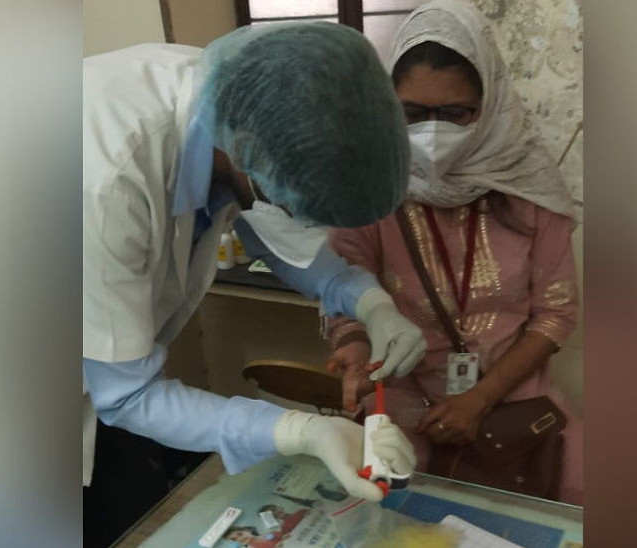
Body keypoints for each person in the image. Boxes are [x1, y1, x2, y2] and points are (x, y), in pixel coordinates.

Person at [83, 21, 422, 504]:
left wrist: (370, 301)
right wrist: (300, 430)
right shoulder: (105, 180)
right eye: (297, 207)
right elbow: (128, 395)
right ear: (246, 154)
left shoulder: (240, 110)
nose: (302, 223)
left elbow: (290, 245)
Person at [324, 0, 582, 504]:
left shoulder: (530, 187)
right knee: (389, 510)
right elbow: (343, 287)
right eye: (412, 114)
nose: (433, 132)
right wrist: (353, 343)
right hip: (400, 398)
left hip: (510, 397)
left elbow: (555, 314)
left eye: (454, 113)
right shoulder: (370, 186)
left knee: (565, 502)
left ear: (489, 105)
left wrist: (480, 398)